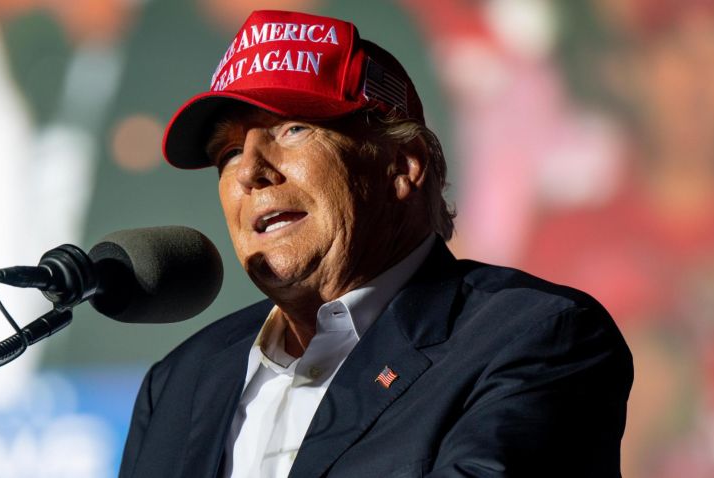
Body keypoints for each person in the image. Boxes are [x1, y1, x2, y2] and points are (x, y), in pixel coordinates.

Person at [118, 10, 633, 478]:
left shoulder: (536, 338)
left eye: (293, 129)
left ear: (403, 163)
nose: (251, 171)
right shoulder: (179, 383)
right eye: (228, 151)